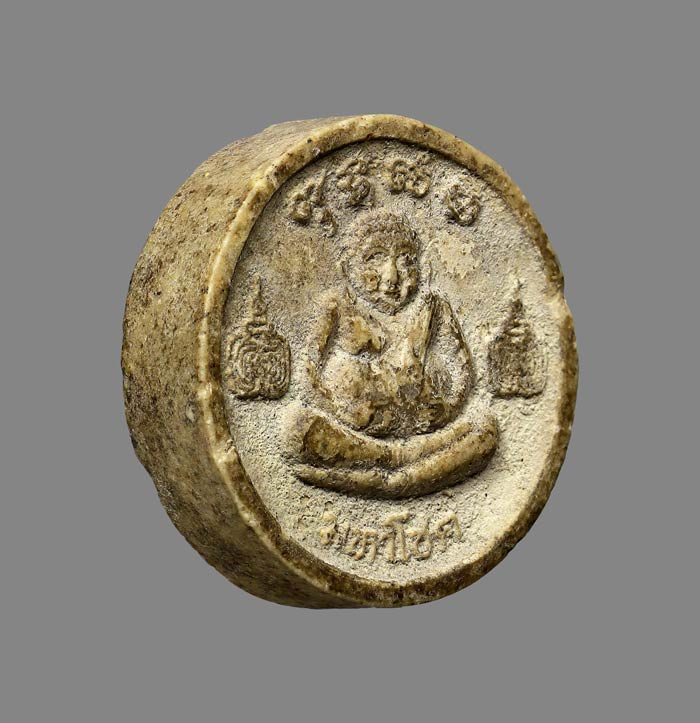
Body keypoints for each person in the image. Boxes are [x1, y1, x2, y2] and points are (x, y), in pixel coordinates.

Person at [288, 211, 498, 498]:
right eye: (375, 258)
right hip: (357, 437)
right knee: (297, 429)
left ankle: (396, 478)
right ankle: (397, 464)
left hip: (429, 436)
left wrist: (449, 408)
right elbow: (307, 370)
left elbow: (464, 370)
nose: (392, 276)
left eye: (405, 260)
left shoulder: (433, 305)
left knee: (485, 431)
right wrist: (337, 410)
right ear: (347, 268)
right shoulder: (338, 306)